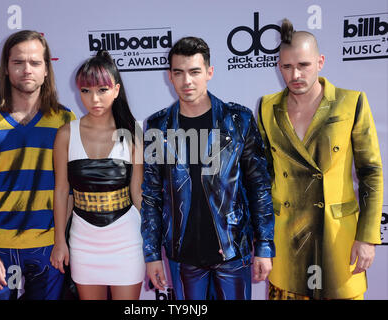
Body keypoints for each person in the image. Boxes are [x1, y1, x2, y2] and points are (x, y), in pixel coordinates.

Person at [257, 19, 383, 300]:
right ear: (279, 66)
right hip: (287, 239)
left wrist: (367, 237)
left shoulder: (351, 102)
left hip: (337, 238)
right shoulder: (268, 107)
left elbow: (371, 172)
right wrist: (263, 243)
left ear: (320, 61)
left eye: (303, 65)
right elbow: (263, 179)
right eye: (287, 67)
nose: (295, 74)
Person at [141, 36, 275, 300]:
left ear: (209, 72)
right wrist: (152, 254)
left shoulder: (239, 120)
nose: (186, 81)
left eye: (194, 72)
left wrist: (265, 246)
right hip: (183, 256)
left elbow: (259, 186)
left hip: (232, 251)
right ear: (170, 76)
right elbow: (151, 195)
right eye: (178, 73)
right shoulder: (158, 126)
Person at [0, 30, 76, 300]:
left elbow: (69, 189)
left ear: (47, 69)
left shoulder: (64, 119)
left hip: (48, 249)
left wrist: (60, 241)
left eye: (35, 63)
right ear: (5, 69)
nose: (27, 70)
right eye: (18, 62)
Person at [49, 51, 145, 300]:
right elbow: (61, 191)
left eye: (102, 90)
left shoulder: (133, 133)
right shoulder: (65, 135)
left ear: (116, 90)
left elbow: (138, 193)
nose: (94, 99)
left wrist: (154, 242)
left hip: (127, 241)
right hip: (83, 242)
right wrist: (60, 241)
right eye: (86, 91)